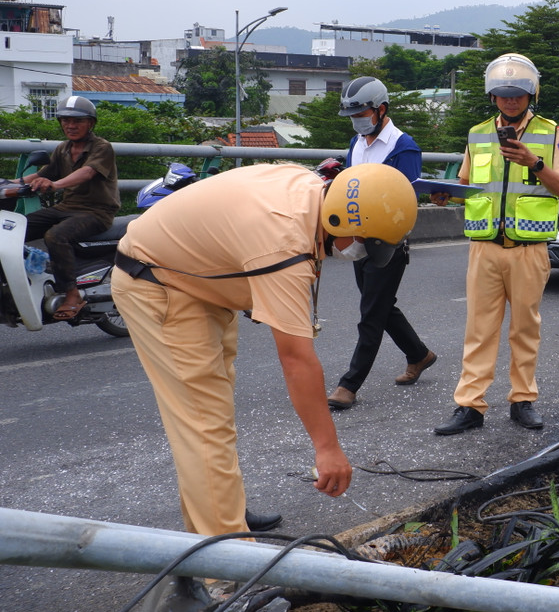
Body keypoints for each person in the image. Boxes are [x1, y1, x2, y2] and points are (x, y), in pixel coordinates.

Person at [112, 162, 418, 535]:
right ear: (338, 221)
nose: (360, 252)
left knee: (214, 413)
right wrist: (328, 449)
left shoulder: (312, 189)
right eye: (364, 243)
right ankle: (223, 566)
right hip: (158, 283)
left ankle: (222, 513)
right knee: (203, 424)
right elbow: (297, 360)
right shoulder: (283, 245)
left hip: (199, 277)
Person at [434, 53, 559, 435]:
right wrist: (447, 195)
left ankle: (523, 400)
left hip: (529, 249)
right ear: (492, 97)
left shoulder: (549, 133)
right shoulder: (477, 134)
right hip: (485, 248)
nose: (510, 101)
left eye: (518, 95)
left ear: (531, 95)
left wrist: (534, 162)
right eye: (503, 95)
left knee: (525, 328)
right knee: (478, 329)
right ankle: (470, 406)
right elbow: (467, 186)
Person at [326, 78, 437, 411]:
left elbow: (407, 200)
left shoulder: (403, 147)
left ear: (381, 109)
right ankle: (419, 355)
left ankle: (349, 385)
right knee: (380, 305)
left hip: (387, 244)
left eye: (361, 112)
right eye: (352, 114)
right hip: (357, 238)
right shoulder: (356, 143)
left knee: (370, 314)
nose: (357, 119)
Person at [21, 95, 119, 320]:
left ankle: (72, 293)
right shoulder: (62, 149)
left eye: (78, 121)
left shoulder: (102, 147)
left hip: (97, 211)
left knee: (55, 235)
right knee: (19, 227)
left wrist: (55, 185)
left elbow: (88, 172)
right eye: (65, 120)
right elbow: (40, 175)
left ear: (91, 123)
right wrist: (10, 184)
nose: (71, 125)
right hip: (67, 207)